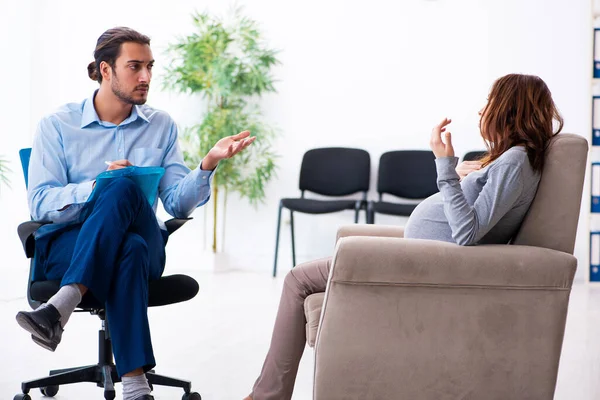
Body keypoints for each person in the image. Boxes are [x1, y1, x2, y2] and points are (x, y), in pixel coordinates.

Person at [244, 73, 564, 400]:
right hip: (417, 255)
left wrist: (444, 165)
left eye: (490, 102)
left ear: (510, 109)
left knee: (298, 280)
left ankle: (266, 397)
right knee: (300, 280)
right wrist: (460, 173)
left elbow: (467, 232)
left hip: (420, 262)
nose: (482, 111)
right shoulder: (513, 159)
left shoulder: (514, 161)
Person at [15, 27, 255, 400]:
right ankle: (135, 384)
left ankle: (60, 305)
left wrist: (208, 163)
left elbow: (175, 203)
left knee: (126, 191)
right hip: (70, 245)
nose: (146, 77)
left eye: (149, 67)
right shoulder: (57, 126)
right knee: (126, 241)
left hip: (144, 242)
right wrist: (98, 185)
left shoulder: (160, 125)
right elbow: (42, 203)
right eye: (135, 67)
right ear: (105, 70)